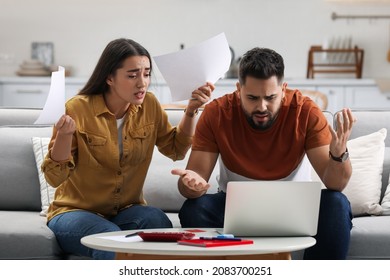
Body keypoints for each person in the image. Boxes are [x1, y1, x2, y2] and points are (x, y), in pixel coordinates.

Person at [172, 47, 355, 260]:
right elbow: (193, 183)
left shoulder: (305, 112)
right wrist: (191, 185)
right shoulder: (217, 113)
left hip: (296, 209)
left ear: (283, 88)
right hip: (236, 210)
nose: (261, 106)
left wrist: (339, 154)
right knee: (193, 209)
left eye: (270, 97)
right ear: (238, 88)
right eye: (252, 97)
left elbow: (336, 184)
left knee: (337, 204)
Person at [42, 38, 214, 259]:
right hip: (74, 213)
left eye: (147, 74)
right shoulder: (77, 108)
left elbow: (175, 149)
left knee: (158, 222)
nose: (142, 83)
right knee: (110, 238)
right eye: (132, 75)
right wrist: (65, 136)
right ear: (109, 78)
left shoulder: (149, 106)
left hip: (126, 212)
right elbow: (55, 178)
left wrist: (191, 111)